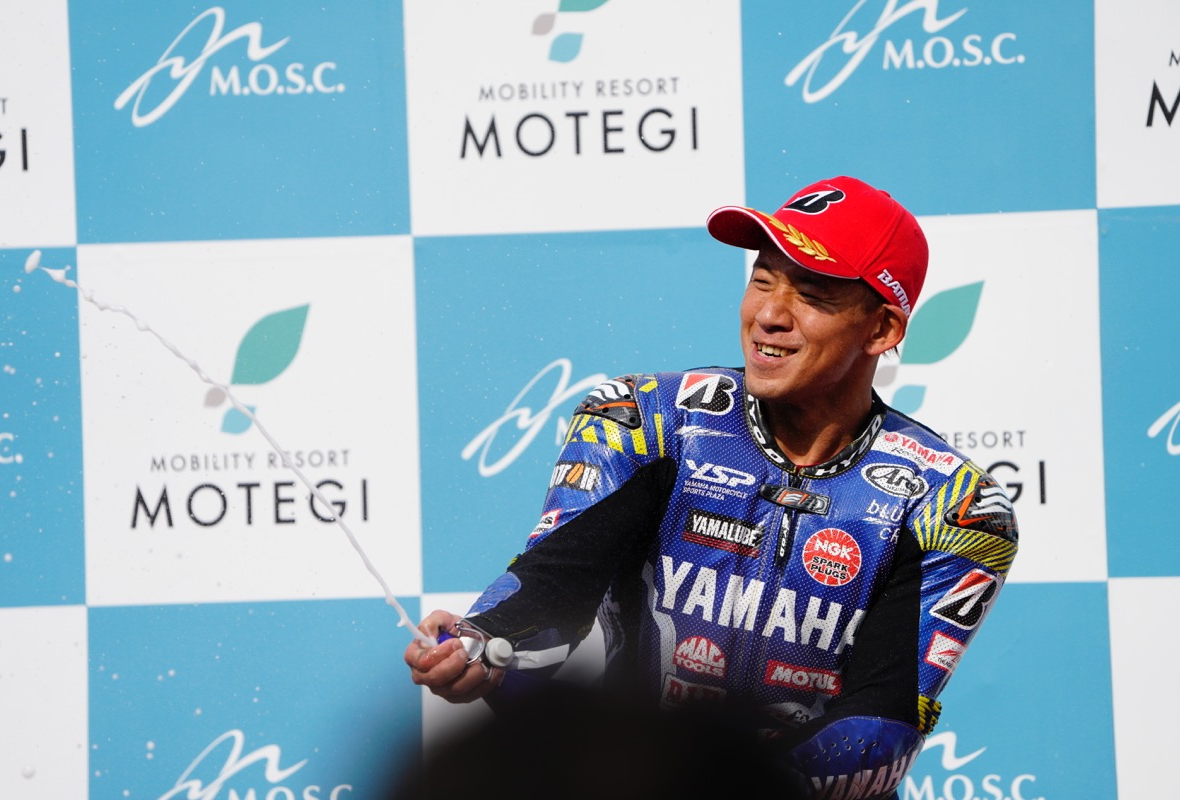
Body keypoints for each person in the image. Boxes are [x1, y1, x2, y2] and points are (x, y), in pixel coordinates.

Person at [404, 175, 1019, 800]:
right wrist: (482, 646)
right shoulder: (647, 420)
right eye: (762, 280)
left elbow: (878, 731)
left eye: (810, 294)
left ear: (882, 329)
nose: (769, 316)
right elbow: (553, 592)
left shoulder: (954, 506)